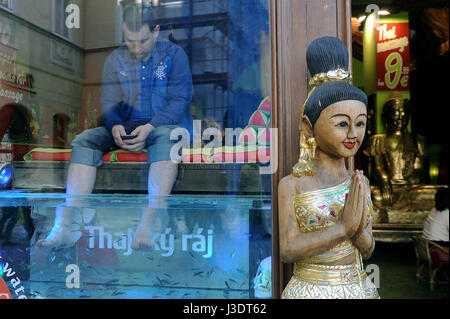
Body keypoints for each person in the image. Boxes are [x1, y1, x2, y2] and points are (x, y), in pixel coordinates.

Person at [38, 2, 193, 250]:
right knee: (83, 140)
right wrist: (114, 126)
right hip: (127, 126)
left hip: (165, 127)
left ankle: (148, 223)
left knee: (166, 137)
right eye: (130, 41)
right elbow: (109, 102)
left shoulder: (175, 55)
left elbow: (180, 101)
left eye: (143, 40)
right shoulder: (115, 59)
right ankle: (65, 225)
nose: (136, 47)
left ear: (156, 31)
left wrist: (151, 126)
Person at [278, 37, 379, 299]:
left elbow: (368, 250)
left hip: (358, 287)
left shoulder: (360, 183)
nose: (353, 134)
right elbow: (288, 250)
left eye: (360, 123)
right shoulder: (293, 185)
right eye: (342, 124)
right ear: (308, 127)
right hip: (310, 289)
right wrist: (342, 229)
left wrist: (358, 232)